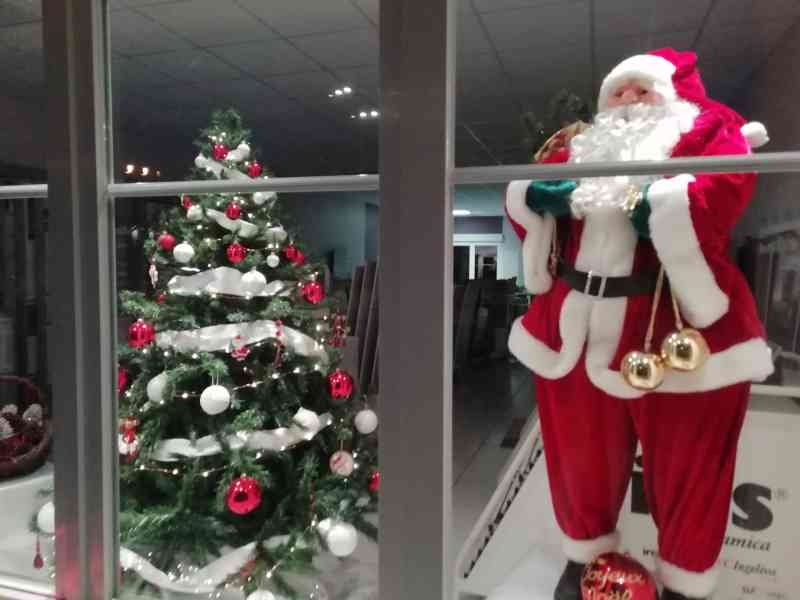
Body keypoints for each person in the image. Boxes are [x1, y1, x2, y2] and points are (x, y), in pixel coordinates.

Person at [505, 48, 772, 600]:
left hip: (679, 332)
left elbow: (723, 191)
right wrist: (535, 194)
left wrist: (648, 201)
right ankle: (584, 563)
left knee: (690, 471)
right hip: (574, 332)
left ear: (671, 97)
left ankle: (684, 584)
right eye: (618, 92)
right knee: (578, 462)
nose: (627, 101)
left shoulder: (710, 129)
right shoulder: (580, 146)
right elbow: (526, 194)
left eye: (641, 90)